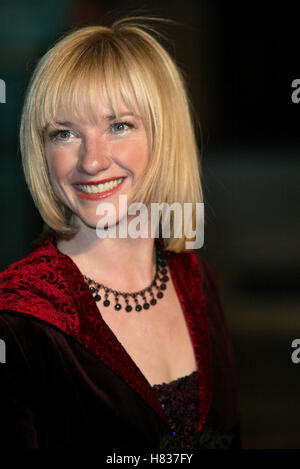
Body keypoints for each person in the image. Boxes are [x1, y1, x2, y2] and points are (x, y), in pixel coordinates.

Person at [0, 17, 240, 449]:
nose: (91, 161)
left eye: (119, 125)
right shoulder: (17, 319)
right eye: (65, 133)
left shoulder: (197, 280)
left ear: (164, 138)